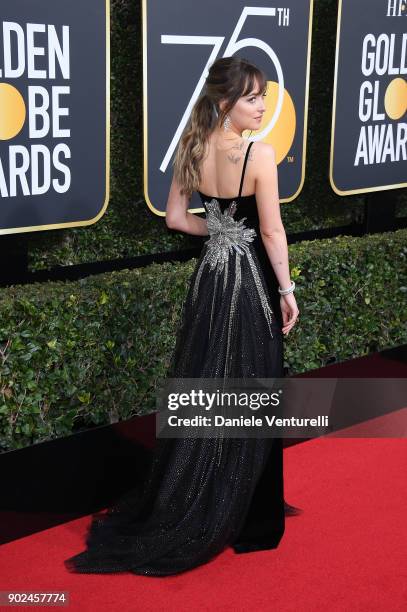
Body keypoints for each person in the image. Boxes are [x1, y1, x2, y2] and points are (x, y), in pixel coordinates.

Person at [64, 56, 300, 577]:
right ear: (225, 102)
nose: (262, 107)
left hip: (212, 280)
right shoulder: (258, 155)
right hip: (251, 285)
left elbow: (175, 218)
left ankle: (203, 496)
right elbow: (272, 233)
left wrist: (216, 233)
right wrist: (286, 288)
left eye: (262, 97)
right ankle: (253, 518)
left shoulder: (193, 147)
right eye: (252, 98)